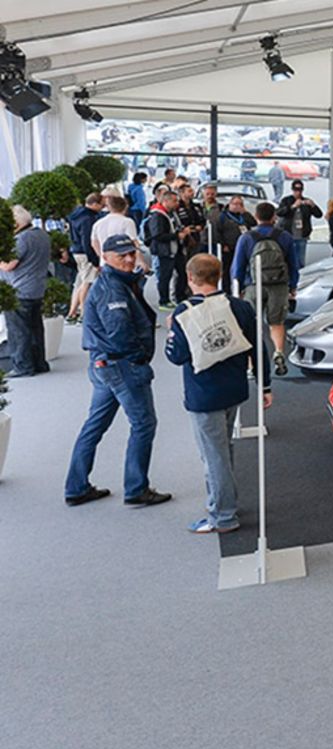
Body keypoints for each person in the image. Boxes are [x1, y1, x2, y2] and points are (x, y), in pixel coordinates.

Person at [165, 254, 272, 533]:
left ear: (190, 279)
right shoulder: (240, 307)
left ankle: (222, 516)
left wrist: (169, 333)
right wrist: (265, 384)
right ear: (220, 275)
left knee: (213, 455)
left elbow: (176, 357)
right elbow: (257, 348)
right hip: (234, 388)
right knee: (223, 450)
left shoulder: (183, 312)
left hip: (203, 394)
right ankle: (226, 500)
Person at [64, 235, 170, 508]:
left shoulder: (120, 282)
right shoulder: (112, 289)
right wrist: (138, 359)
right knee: (144, 425)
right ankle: (136, 488)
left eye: (131, 253)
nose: (129, 259)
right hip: (120, 364)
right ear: (106, 257)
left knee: (94, 425)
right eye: (121, 255)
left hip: (104, 364)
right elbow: (120, 332)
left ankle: (76, 487)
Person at [230, 202, 297, 376]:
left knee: (252, 325)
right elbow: (293, 264)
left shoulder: (247, 238)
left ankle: (252, 366)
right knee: (277, 322)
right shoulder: (285, 237)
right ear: (274, 217)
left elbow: (238, 265)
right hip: (279, 286)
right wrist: (293, 287)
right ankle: (279, 352)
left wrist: (238, 287)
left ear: (256, 217)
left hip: (253, 285)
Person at [0, 206, 53, 377]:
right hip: (37, 288)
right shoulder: (41, 234)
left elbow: (8, 265)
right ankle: (39, 363)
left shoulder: (21, 240)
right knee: (35, 328)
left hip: (19, 289)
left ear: (15, 223)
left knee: (18, 331)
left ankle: (23, 366)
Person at [65, 193, 106, 321]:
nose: (103, 207)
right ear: (94, 204)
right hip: (85, 253)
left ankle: (72, 312)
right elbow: (87, 241)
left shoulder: (77, 214)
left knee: (80, 283)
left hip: (77, 251)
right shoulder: (88, 218)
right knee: (87, 283)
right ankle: (84, 313)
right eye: (102, 204)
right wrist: (95, 260)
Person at [142, 190, 183, 309]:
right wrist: (177, 236)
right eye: (174, 201)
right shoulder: (157, 215)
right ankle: (163, 300)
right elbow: (157, 235)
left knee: (181, 273)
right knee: (165, 276)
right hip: (164, 250)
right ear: (165, 201)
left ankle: (178, 296)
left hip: (174, 249)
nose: (177, 203)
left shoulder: (170, 213)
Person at [275, 181, 323, 270]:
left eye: (300, 190)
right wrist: (292, 206)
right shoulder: (286, 200)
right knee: (288, 259)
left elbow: (319, 215)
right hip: (289, 234)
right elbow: (279, 212)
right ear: (292, 190)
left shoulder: (306, 202)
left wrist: (313, 205)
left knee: (300, 260)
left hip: (302, 235)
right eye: (296, 190)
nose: (298, 192)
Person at [209, 195, 256, 278]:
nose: (237, 206)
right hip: (229, 247)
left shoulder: (243, 216)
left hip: (243, 246)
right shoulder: (222, 216)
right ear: (230, 204)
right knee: (227, 269)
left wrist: (244, 212)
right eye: (235, 204)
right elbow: (216, 231)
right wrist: (223, 245)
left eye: (240, 204)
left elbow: (253, 223)